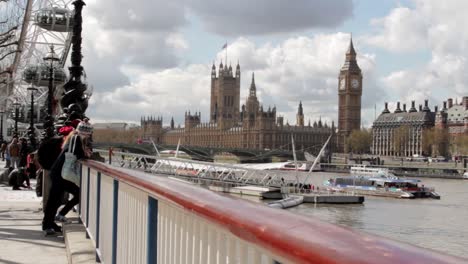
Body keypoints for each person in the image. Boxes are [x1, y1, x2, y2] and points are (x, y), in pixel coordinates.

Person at [42, 119, 93, 236]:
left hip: (60, 173)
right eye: (89, 133)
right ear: (86, 133)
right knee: (57, 199)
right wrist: (86, 154)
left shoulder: (73, 137)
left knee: (55, 199)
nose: (89, 136)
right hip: (61, 174)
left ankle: (52, 222)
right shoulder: (77, 139)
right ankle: (50, 223)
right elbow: (78, 154)